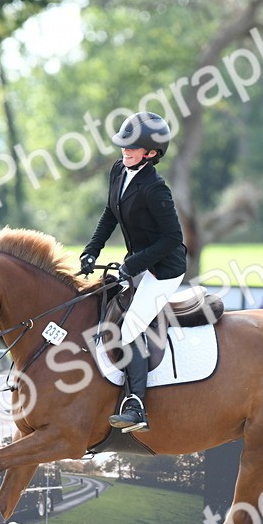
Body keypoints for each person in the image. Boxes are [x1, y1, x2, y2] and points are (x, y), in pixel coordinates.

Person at [80, 111, 187, 433]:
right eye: (123, 145)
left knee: (129, 329)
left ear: (151, 153)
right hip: (137, 263)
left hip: (164, 270)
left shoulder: (156, 189)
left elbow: (173, 238)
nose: (125, 150)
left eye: (132, 147)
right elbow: (109, 213)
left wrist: (131, 266)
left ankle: (136, 405)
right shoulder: (118, 170)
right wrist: (92, 249)